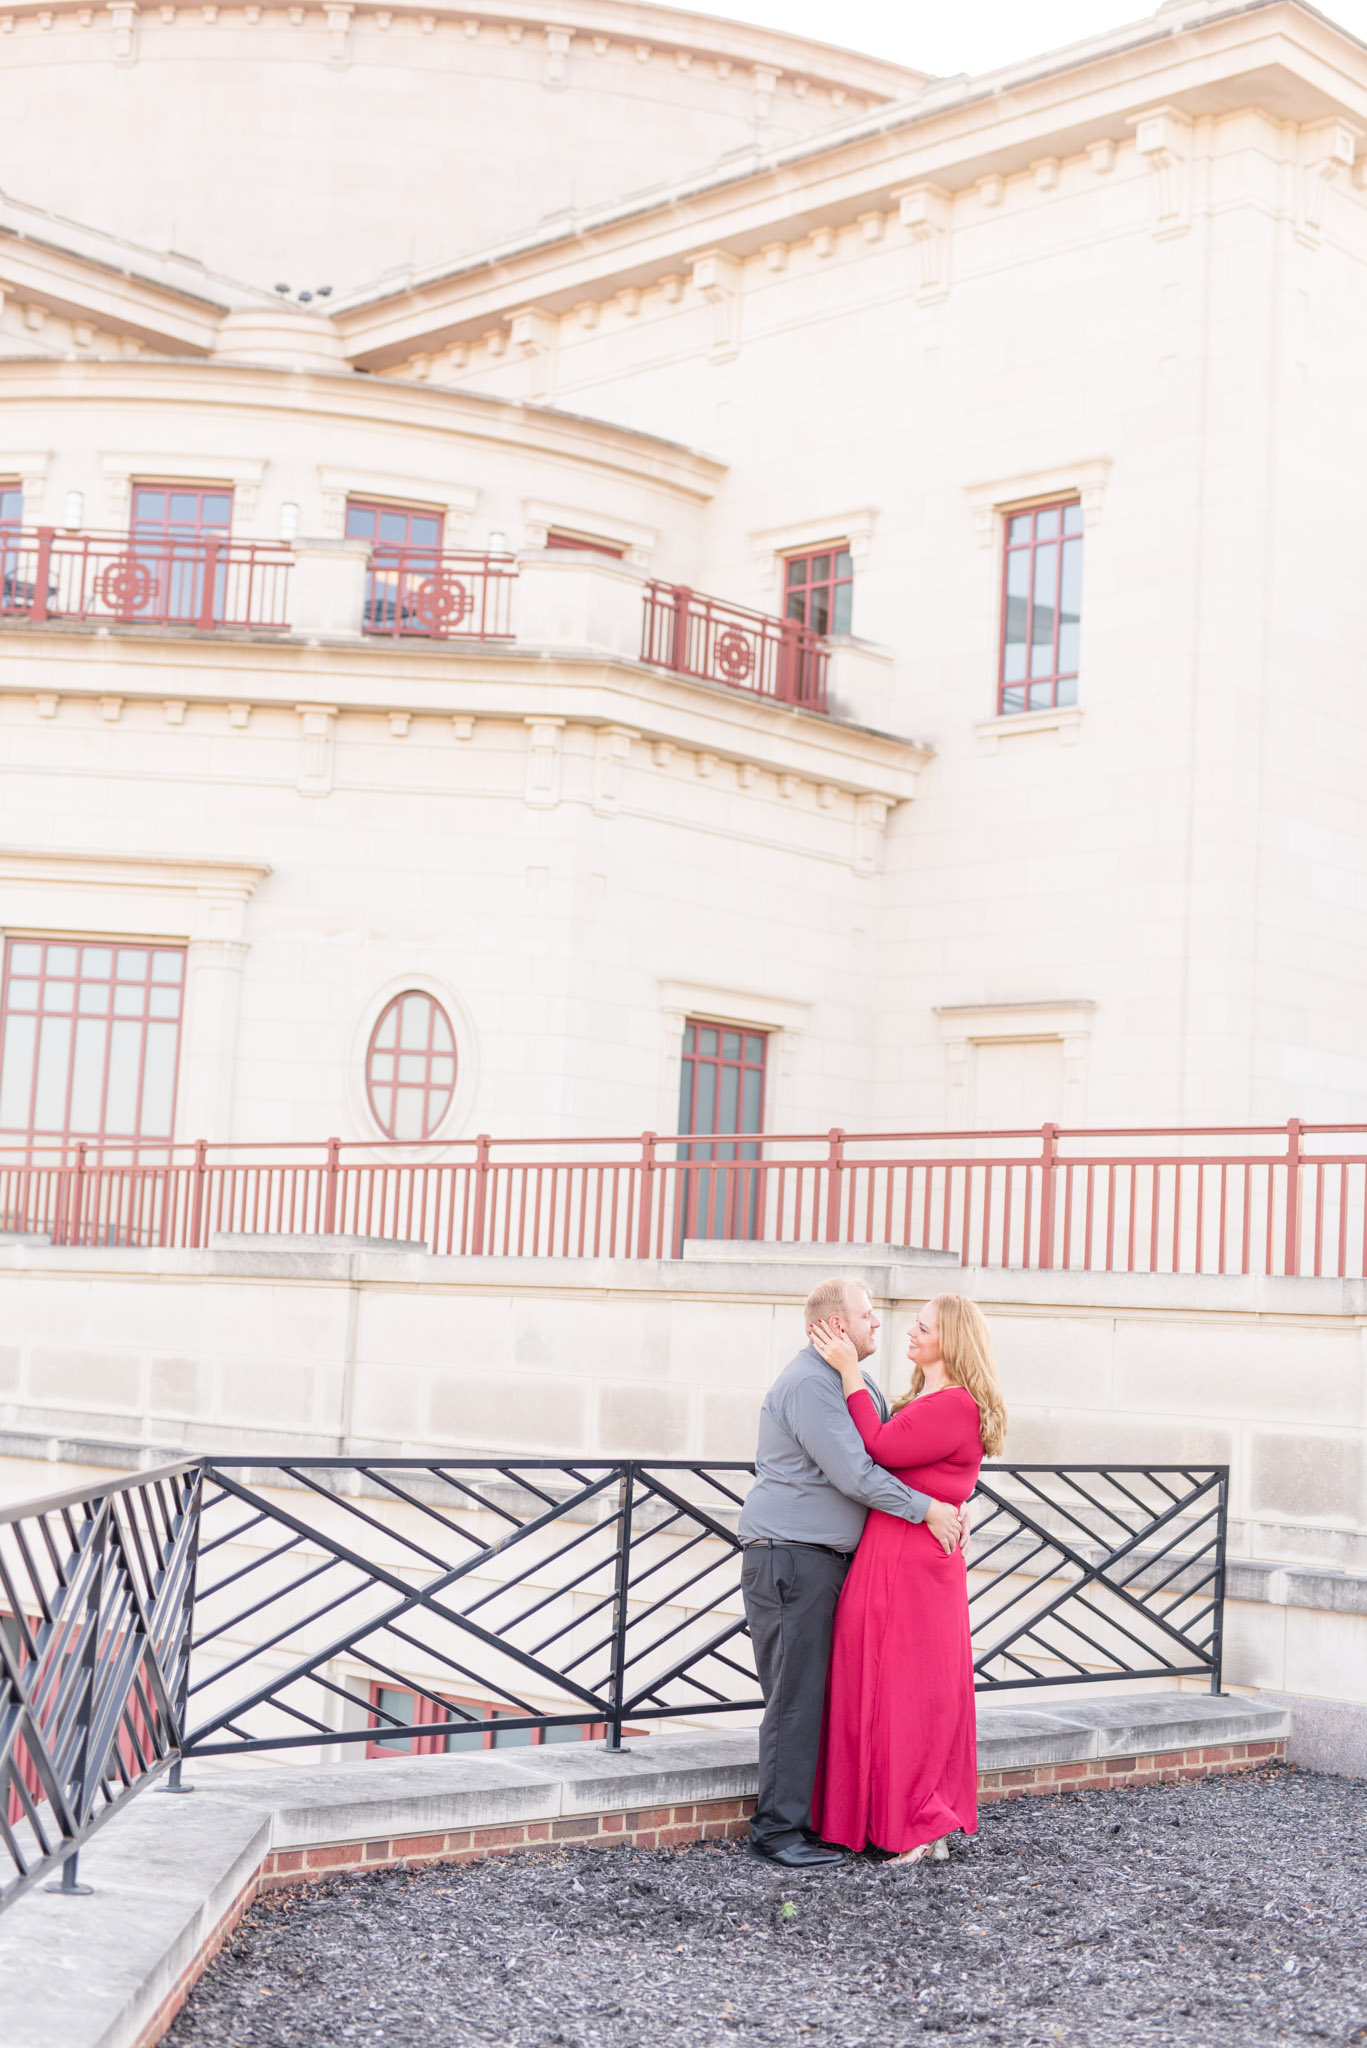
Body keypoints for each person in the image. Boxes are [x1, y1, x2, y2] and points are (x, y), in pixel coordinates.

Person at [736, 1276, 966, 1869]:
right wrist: (928, 1510)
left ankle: (809, 1822)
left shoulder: (848, 1383)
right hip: (791, 1558)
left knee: (818, 1698)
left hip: (824, 1560)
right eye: (868, 1316)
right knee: (794, 1698)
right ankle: (776, 1833)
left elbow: (886, 1448)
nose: (878, 1324)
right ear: (837, 1325)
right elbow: (854, 1474)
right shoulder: (813, 1384)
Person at [808, 1293, 1007, 1865]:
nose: (910, 1334)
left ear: (952, 1341)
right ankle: (913, 1817)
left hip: (907, 1563)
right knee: (895, 1688)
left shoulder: (952, 1404)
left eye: (923, 1328)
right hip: (903, 1553)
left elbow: (878, 1447)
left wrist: (849, 1370)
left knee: (905, 1692)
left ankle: (917, 1822)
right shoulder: (938, 1399)